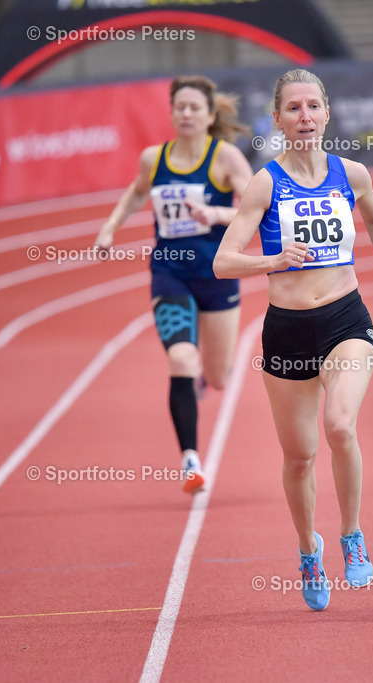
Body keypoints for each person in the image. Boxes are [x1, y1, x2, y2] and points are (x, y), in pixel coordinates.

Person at [213, 69, 373, 611]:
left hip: (345, 319)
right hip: (288, 329)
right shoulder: (265, 183)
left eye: (313, 107)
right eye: (293, 109)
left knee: (340, 426)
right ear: (277, 119)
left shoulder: (352, 173)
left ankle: (351, 535)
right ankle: (308, 549)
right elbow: (222, 261)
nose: (304, 117)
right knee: (299, 457)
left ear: (327, 113)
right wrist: (271, 261)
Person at [94, 76, 253, 494]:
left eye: (194, 108)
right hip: (170, 272)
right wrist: (110, 227)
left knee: (218, 377)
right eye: (179, 107)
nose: (186, 114)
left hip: (217, 274)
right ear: (171, 113)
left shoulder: (227, 159)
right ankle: (190, 460)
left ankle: (203, 379)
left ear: (210, 115)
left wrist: (216, 216)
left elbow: (258, 209)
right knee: (182, 358)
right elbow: (136, 191)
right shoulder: (154, 158)